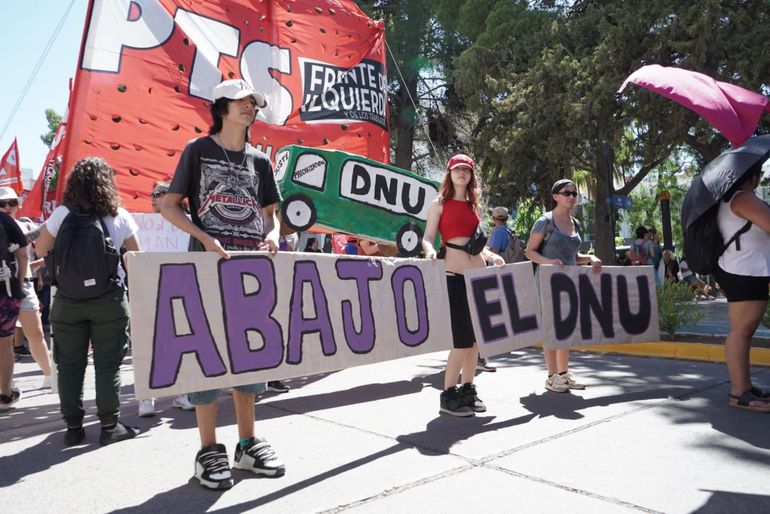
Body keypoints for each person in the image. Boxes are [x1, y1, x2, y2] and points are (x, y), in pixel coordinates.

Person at [161, 78, 285, 489]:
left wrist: (272, 235)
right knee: (208, 355)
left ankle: (247, 444)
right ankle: (208, 449)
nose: (249, 107)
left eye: (253, 102)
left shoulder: (260, 161)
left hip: (249, 270)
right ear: (221, 108)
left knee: (248, 353)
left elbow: (271, 215)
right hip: (206, 268)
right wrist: (203, 237)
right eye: (240, 101)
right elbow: (169, 206)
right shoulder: (197, 151)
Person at [35, 157, 140, 445]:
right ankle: (109, 426)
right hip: (109, 300)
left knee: (70, 365)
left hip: (68, 301)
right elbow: (136, 258)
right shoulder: (119, 215)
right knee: (108, 365)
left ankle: (73, 428)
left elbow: (40, 249)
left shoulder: (62, 214)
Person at [422, 154, 505, 417]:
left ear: (471, 176)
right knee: (460, 340)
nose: (462, 173)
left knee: (475, 341)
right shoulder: (439, 203)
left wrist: (492, 257)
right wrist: (429, 251)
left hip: (478, 278)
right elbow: (428, 237)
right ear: (449, 173)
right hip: (453, 276)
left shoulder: (473, 206)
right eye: (457, 169)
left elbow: (477, 245)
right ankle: (448, 395)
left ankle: (468, 390)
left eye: (466, 170)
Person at [524, 179, 601, 393]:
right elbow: (529, 252)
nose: (571, 197)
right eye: (567, 193)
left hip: (570, 282)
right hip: (548, 281)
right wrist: (549, 262)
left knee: (566, 327)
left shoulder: (576, 223)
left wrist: (591, 258)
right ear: (555, 196)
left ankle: (564, 374)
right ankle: (551, 377)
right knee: (551, 329)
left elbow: (573, 256)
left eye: (574, 193)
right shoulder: (545, 221)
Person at [712, 162, 770, 412]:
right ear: (753, 178)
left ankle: (744, 387)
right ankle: (739, 393)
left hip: (745, 270)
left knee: (742, 331)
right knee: (740, 332)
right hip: (745, 271)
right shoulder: (743, 198)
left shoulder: (732, 198)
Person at [137, 181, 195, 417]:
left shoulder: (190, 223)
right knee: (148, 345)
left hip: (181, 290)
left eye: (159, 193)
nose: (153, 198)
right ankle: (146, 398)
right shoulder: (143, 225)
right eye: (152, 194)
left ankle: (183, 393)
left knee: (182, 344)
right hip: (150, 291)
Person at [0, 188, 53, 389]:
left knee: (35, 335)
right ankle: (6, 387)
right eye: (2, 203)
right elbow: (25, 249)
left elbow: (37, 243)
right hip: (12, 287)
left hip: (23, 286)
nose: (7, 207)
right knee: (7, 341)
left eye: (12, 202)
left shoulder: (25, 225)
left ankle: (50, 376)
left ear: (18, 204)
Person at [0, 200, 29, 411]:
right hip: (5, 291)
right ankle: (5, 394)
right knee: (4, 345)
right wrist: (19, 283)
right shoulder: (5, 220)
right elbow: (23, 255)